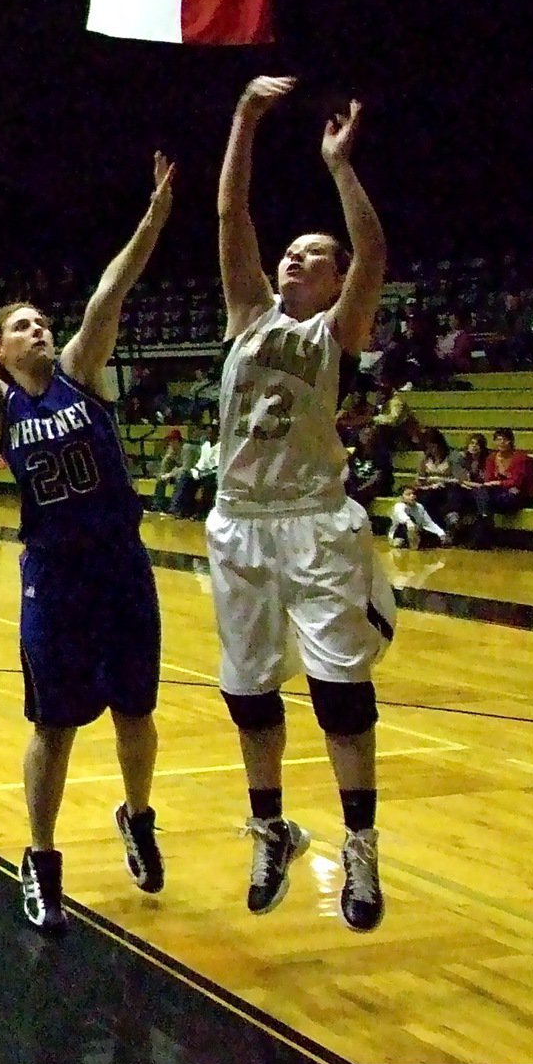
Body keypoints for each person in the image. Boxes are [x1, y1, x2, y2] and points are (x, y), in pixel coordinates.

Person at [0, 151, 174, 934]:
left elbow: (112, 289)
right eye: (19, 325)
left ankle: (136, 815)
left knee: (136, 710)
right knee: (54, 723)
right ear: (1, 349)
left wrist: (152, 217)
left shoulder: (82, 371)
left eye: (41, 320)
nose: (37, 327)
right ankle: (39, 857)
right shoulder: (0, 401)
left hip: (121, 566)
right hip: (54, 576)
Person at [211, 75, 395, 933]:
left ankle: (358, 845)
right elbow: (230, 219)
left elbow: (374, 250)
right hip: (238, 523)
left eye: (312, 255)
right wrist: (245, 121)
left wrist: (336, 166)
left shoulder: (335, 332)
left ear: (333, 281)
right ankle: (271, 826)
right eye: (290, 251)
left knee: (337, 694)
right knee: (248, 694)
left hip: (314, 523)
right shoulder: (246, 314)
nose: (294, 258)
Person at [467, 426, 533, 547]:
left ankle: (483, 527)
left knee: (488, 499)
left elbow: (517, 482)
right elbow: (488, 480)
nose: (502, 443)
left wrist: (499, 483)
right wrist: (501, 484)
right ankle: (485, 521)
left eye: (505, 440)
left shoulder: (520, 458)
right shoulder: (491, 458)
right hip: (498, 493)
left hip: (519, 495)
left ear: (511, 441)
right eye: (498, 439)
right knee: (482, 493)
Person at [167, 423, 219, 519]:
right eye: (208, 433)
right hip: (202, 472)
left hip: (212, 474)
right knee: (186, 478)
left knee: (207, 481)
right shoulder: (204, 445)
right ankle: (181, 510)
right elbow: (199, 463)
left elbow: (216, 466)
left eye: (211, 433)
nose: (209, 435)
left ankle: (199, 513)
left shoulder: (220, 446)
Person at [343, 423, 394, 510]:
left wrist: (360, 489)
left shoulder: (381, 454)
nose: (365, 437)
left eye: (368, 434)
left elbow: (379, 477)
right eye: (362, 434)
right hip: (356, 486)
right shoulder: (354, 452)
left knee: (357, 497)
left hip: (374, 487)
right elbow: (348, 471)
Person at [148, 428, 189, 513]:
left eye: (172, 440)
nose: (170, 443)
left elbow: (186, 468)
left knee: (181, 478)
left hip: (189, 475)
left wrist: (170, 474)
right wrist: (163, 475)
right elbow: (165, 467)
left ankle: (174, 508)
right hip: (176, 474)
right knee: (160, 479)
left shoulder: (186, 449)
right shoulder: (171, 452)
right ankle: (157, 505)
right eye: (170, 441)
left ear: (178, 441)